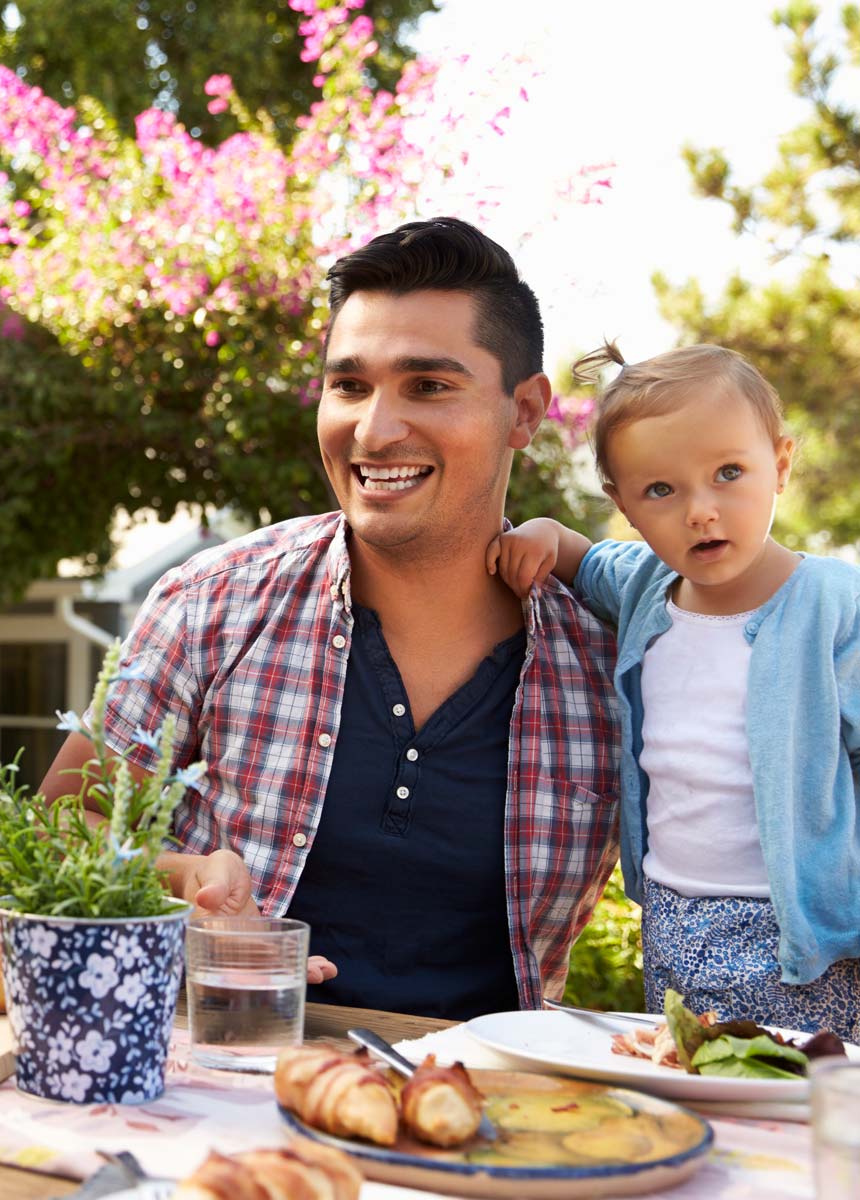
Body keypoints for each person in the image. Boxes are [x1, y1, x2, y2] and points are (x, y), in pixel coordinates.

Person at [42, 217, 622, 1018]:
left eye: (429, 386)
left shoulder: (610, 661)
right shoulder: (213, 603)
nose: (374, 431)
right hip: (215, 1068)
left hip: (481, 1088)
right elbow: (58, 825)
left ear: (524, 411)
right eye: (349, 386)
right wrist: (180, 881)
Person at [488, 343, 860, 1036]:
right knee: (687, 1072)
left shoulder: (835, 604)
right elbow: (582, 559)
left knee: (801, 1085)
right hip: (672, 916)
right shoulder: (643, 586)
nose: (700, 511)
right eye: (661, 490)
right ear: (623, 504)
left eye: (729, 473)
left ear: (781, 465)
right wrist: (545, 536)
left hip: (803, 934)